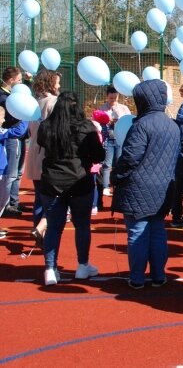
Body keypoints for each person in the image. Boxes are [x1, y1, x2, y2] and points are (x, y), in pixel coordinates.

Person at [112, 80, 181, 289]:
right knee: (158, 231)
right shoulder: (172, 125)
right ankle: (159, 275)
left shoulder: (141, 125)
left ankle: (137, 278)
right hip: (163, 186)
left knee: (137, 232)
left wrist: (116, 176)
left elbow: (130, 157)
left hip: (138, 186)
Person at [37, 92, 105, 285]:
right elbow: (98, 156)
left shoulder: (47, 126)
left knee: (54, 227)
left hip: (52, 182)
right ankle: (82, 265)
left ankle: (50, 268)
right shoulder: (86, 127)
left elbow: (41, 144)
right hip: (79, 181)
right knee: (81, 224)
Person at [26, 70, 62, 248]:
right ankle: (43, 231)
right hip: (47, 154)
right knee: (55, 198)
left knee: (39, 198)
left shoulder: (35, 101)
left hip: (34, 151)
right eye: (56, 82)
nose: (59, 86)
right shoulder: (53, 102)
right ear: (50, 83)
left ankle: (38, 230)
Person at [0, 66, 28, 216]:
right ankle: (7, 204)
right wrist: (24, 115)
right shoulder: (4, 97)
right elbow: (11, 119)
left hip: (19, 137)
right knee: (10, 174)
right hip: (12, 138)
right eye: (19, 80)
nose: (21, 83)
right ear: (11, 80)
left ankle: (14, 202)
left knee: (17, 173)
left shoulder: (13, 95)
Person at [98, 86, 131, 198]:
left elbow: (127, 120)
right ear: (107, 97)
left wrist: (118, 117)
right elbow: (99, 122)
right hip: (108, 138)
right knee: (107, 164)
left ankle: (117, 185)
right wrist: (107, 120)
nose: (113, 101)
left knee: (118, 163)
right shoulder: (103, 108)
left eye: (115, 98)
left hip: (120, 139)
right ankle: (106, 186)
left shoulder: (123, 108)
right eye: (111, 98)